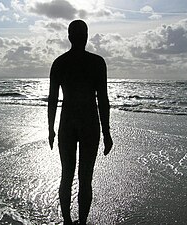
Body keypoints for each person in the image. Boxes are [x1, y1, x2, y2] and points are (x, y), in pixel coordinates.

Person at [47, 20, 113, 225]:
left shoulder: (60, 62)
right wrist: (106, 132)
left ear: (69, 36)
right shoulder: (96, 62)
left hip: (66, 123)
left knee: (66, 175)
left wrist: (51, 129)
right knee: (85, 178)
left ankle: (68, 221)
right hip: (89, 123)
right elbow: (103, 99)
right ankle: (81, 222)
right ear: (86, 36)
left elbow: (52, 99)